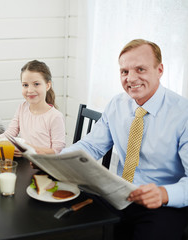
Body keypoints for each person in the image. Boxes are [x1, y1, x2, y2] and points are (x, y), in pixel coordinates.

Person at [61, 39, 188, 240]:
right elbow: (91, 145)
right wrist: (59, 161)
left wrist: (164, 194)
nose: (131, 78)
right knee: (67, 222)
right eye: (124, 72)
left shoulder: (183, 114)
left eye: (140, 69)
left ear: (160, 70)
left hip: (162, 204)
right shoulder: (117, 104)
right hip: (120, 195)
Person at [0, 60, 66, 156]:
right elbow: (10, 133)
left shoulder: (55, 117)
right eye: (25, 85)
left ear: (47, 85)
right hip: (25, 163)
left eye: (36, 84)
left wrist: (28, 148)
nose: (30, 90)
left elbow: (57, 151)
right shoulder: (22, 108)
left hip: (44, 166)